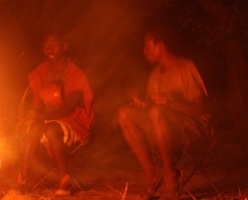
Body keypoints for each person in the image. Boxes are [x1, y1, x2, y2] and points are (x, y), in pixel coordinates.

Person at [117, 27, 210, 200]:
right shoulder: (155, 75)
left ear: (160, 45)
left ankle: (169, 176)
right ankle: (152, 174)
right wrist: (141, 105)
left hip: (190, 130)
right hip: (162, 128)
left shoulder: (185, 67)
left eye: (147, 46)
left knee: (158, 111)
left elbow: (201, 109)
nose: (144, 51)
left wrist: (171, 103)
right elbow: (152, 110)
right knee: (124, 113)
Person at [17, 33, 94, 196]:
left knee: (51, 129)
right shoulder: (40, 72)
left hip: (72, 121)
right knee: (34, 129)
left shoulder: (76, 74)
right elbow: (38, 104)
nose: (49, 48)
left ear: (64, 47)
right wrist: (32, 115)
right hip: (47, 119)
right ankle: (23, 179)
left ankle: (65, 180)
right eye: (46, 45)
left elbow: (69, 108)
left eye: (54, 45)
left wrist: (42, 117)